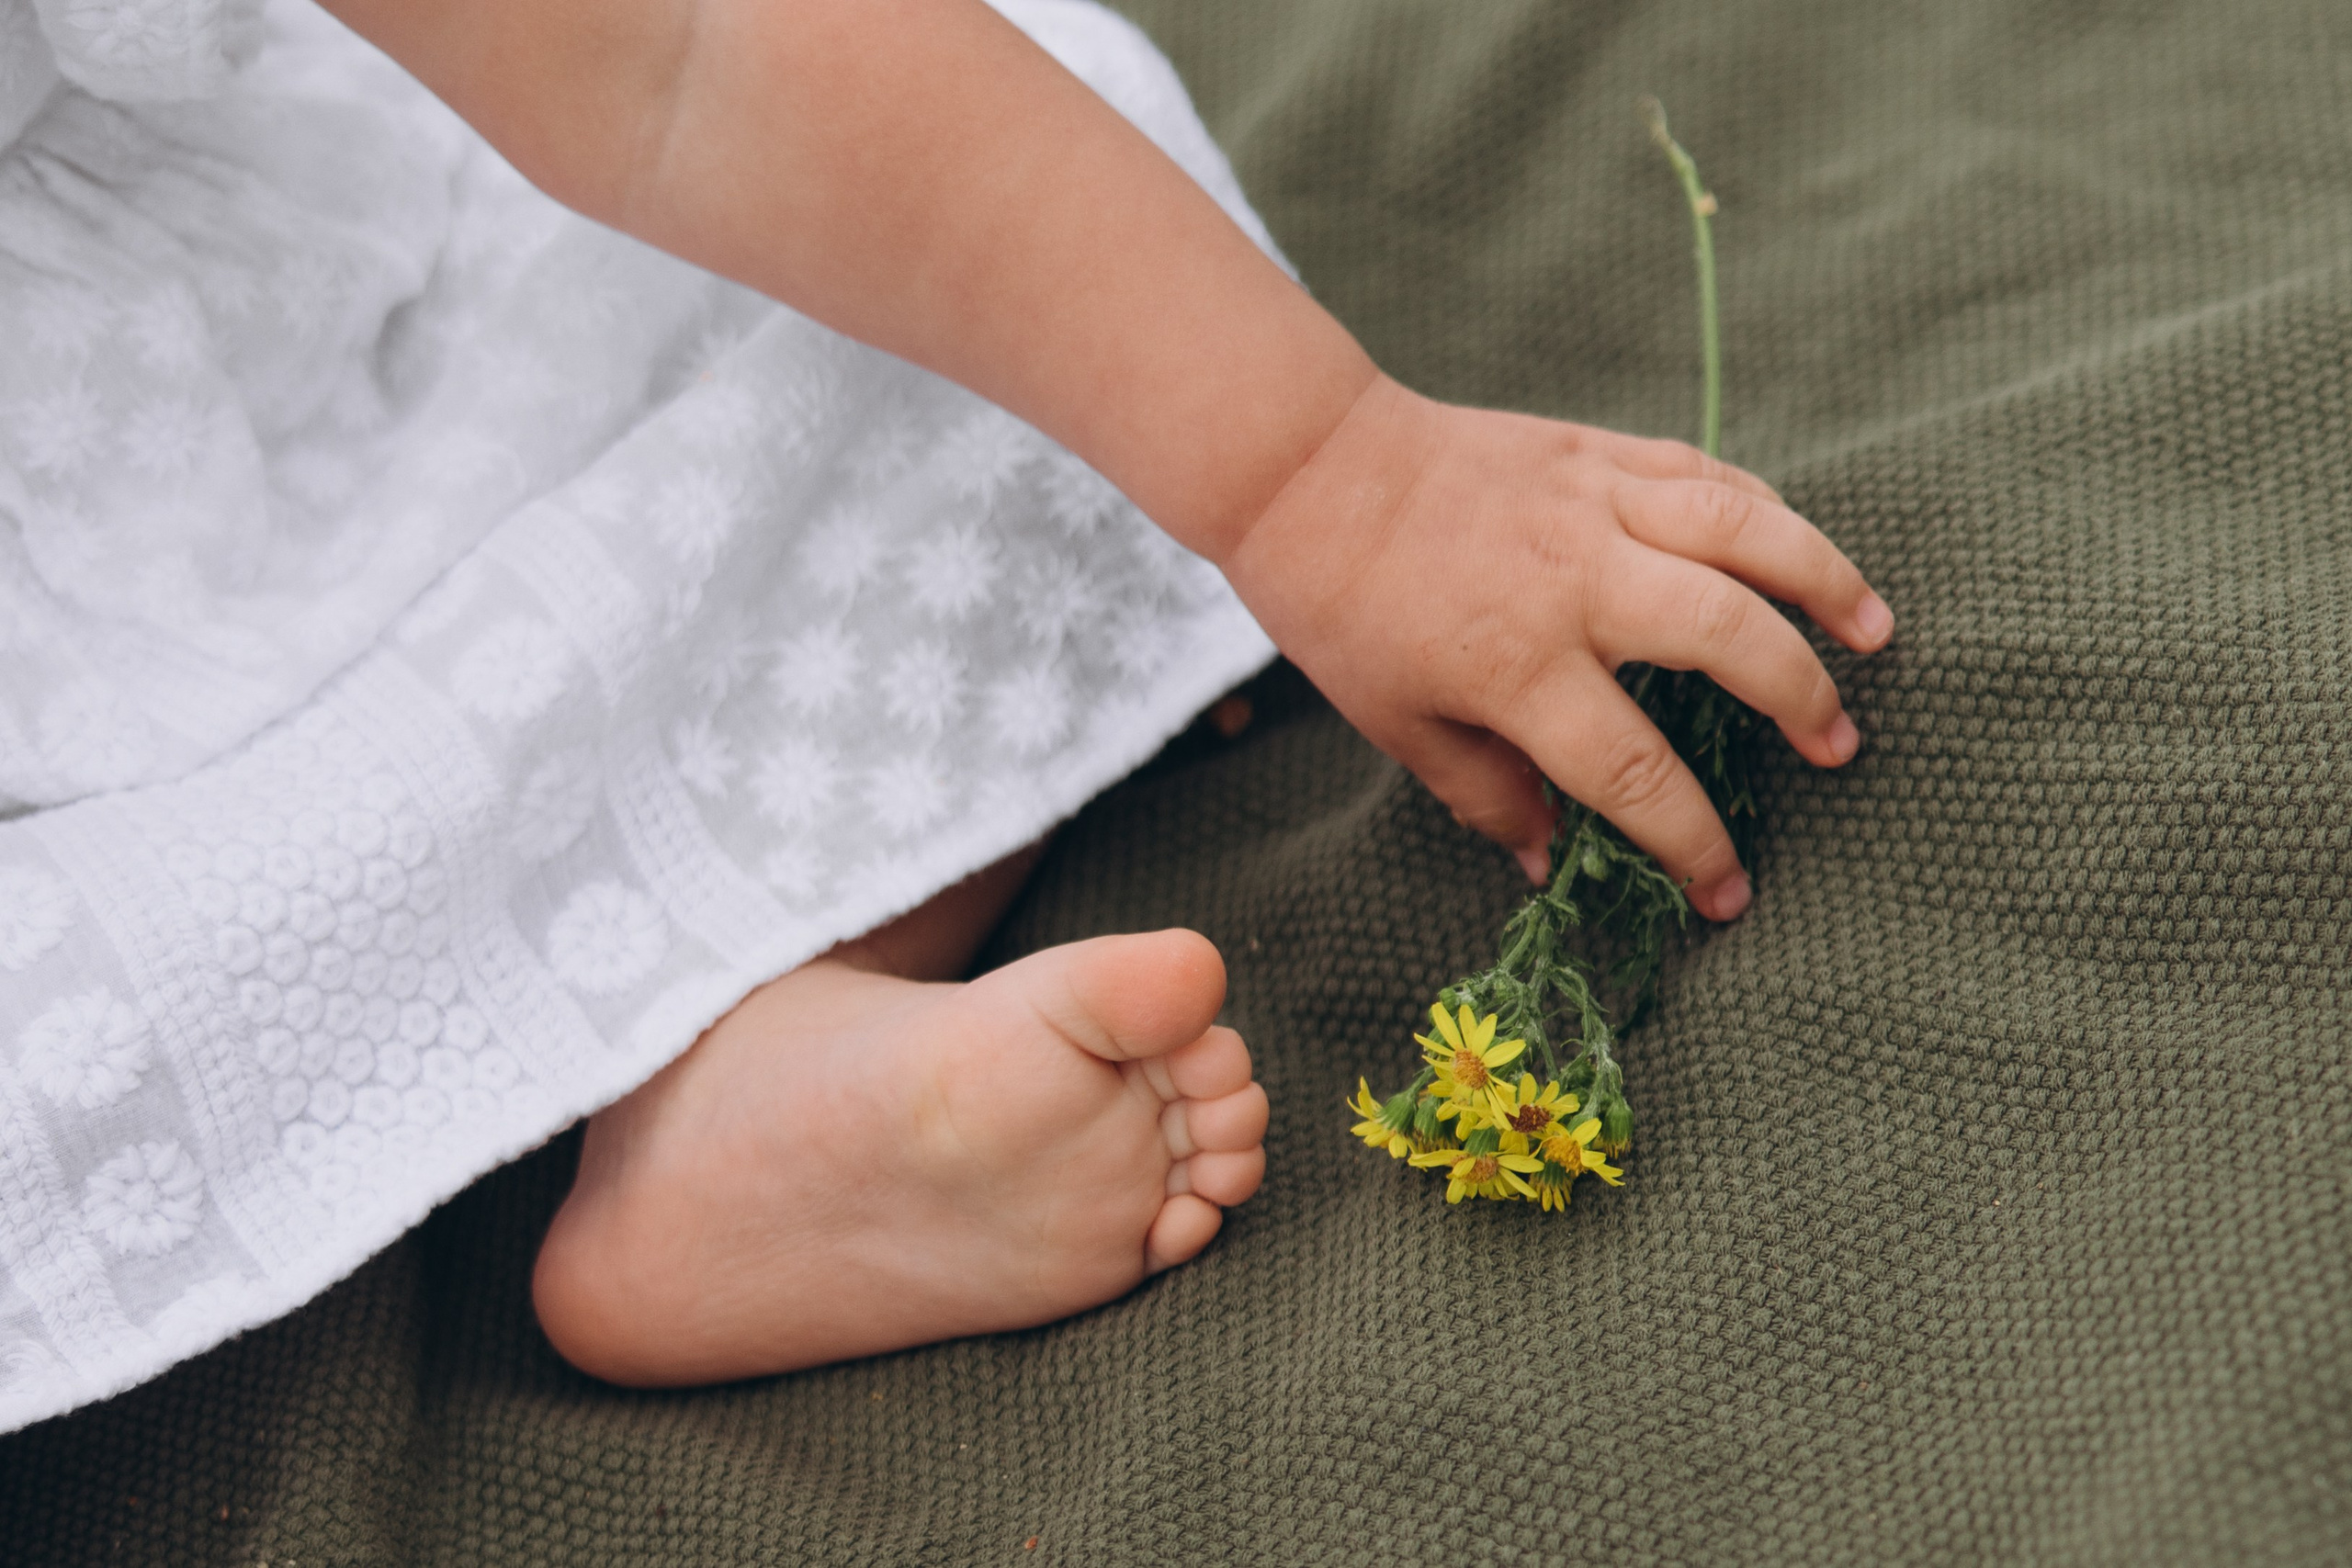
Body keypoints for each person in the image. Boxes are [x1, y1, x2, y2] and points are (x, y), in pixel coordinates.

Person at [0, 0, 1888, 1427]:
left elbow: (690, 60)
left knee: (1012, 219)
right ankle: (683, 961)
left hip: (294, 410)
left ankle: (747, 1041)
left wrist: (1326, 479)